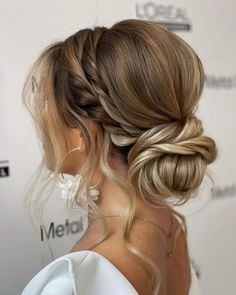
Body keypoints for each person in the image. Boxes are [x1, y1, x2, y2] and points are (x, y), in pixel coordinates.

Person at [21, 18, 217, 295]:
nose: (42, 122)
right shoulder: (169, 225)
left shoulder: (74, 283)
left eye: (47, 105)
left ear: (83, 131)